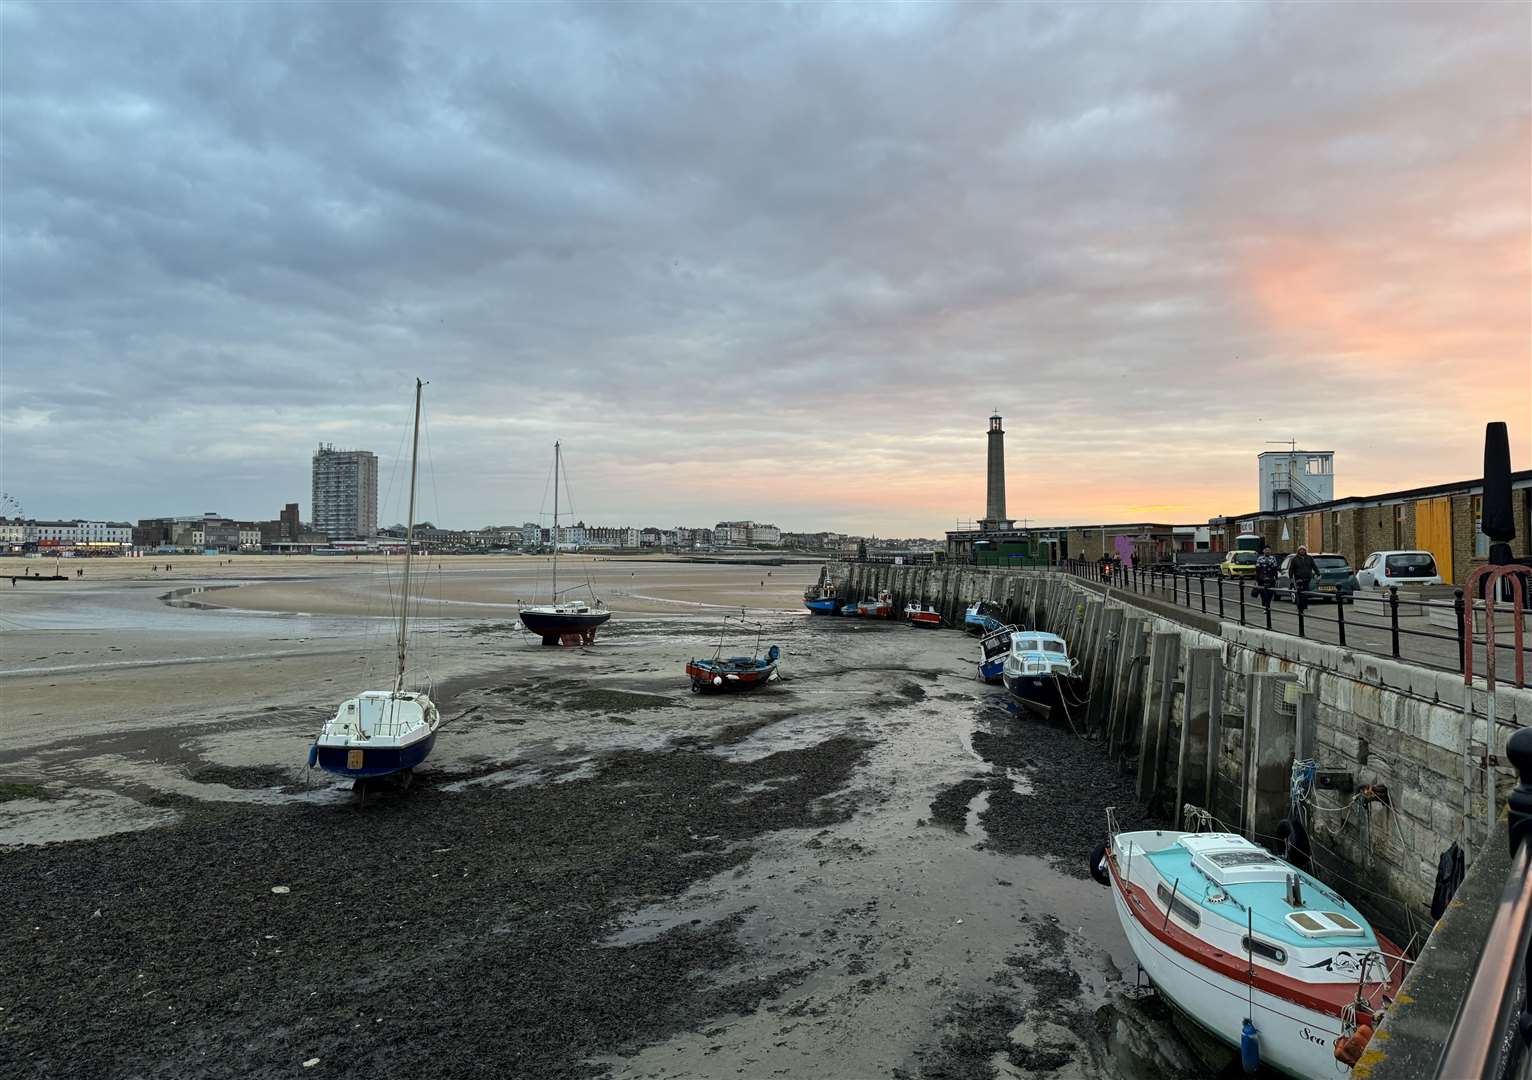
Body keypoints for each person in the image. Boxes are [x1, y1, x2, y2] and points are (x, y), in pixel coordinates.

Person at [1289, 545, 1317, 611]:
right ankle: (1300, 605)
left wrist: (1318, 574)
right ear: (1298, 551)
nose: (1302, 551)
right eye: (1301, 550)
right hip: (1298, 578)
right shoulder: (1294, 559)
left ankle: (1305, 605)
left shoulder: (1309, 558)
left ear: (1305, 551)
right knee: (1300, 592)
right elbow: (1291, 569)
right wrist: (1291, 578)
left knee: (1306, 592)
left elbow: (1314, 566)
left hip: (1307, 578)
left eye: (1303, 550)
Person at [1255, 544, 1280, 614]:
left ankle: (1267, 606)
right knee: (1263, 594)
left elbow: (1275, 569)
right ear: (1263, 551)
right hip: (1261, 579)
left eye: (1269, 550)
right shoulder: (1260, 558)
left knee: (1270, 594)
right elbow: (1257, 570)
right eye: (1266, 550)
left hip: (1271, 579)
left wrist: (1277, 578)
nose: (1267, 551)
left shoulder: (1273, 558)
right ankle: (1264, 607)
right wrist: (1256, 580)